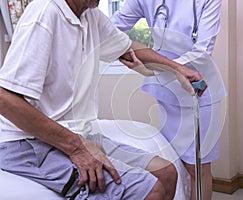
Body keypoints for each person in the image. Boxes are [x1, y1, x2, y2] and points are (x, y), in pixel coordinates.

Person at [0, 0, 204, 199]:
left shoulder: (90, 16)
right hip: (27, 143)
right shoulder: (44, 13)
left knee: (167, 173)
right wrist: (77, 147)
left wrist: (178, 69)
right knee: (153, 190)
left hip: (77, 132)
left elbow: (128, 47)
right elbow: (5, 99)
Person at [111, 0, 227, 199]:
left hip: (198, 93)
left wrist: (152, 63)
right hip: (167, 93)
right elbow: (111, 27)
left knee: (197, 169)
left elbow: (202, 53)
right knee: (174, 162)